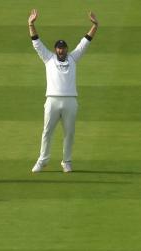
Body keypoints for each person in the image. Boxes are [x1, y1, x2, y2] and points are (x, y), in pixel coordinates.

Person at [27, 8, 98, 173]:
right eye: (59, 48)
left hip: (70, 101)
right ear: (55, 49)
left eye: (63, 48)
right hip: (52, 100)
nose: (61, 50)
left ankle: (66, 161)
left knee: (69, 133)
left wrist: (95, 25)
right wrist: (31, 24)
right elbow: (36, 42)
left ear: (66, 49)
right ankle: (42, 160)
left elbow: (85, 42)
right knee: (47, 132)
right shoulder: (48, 58)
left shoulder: (73, 58)